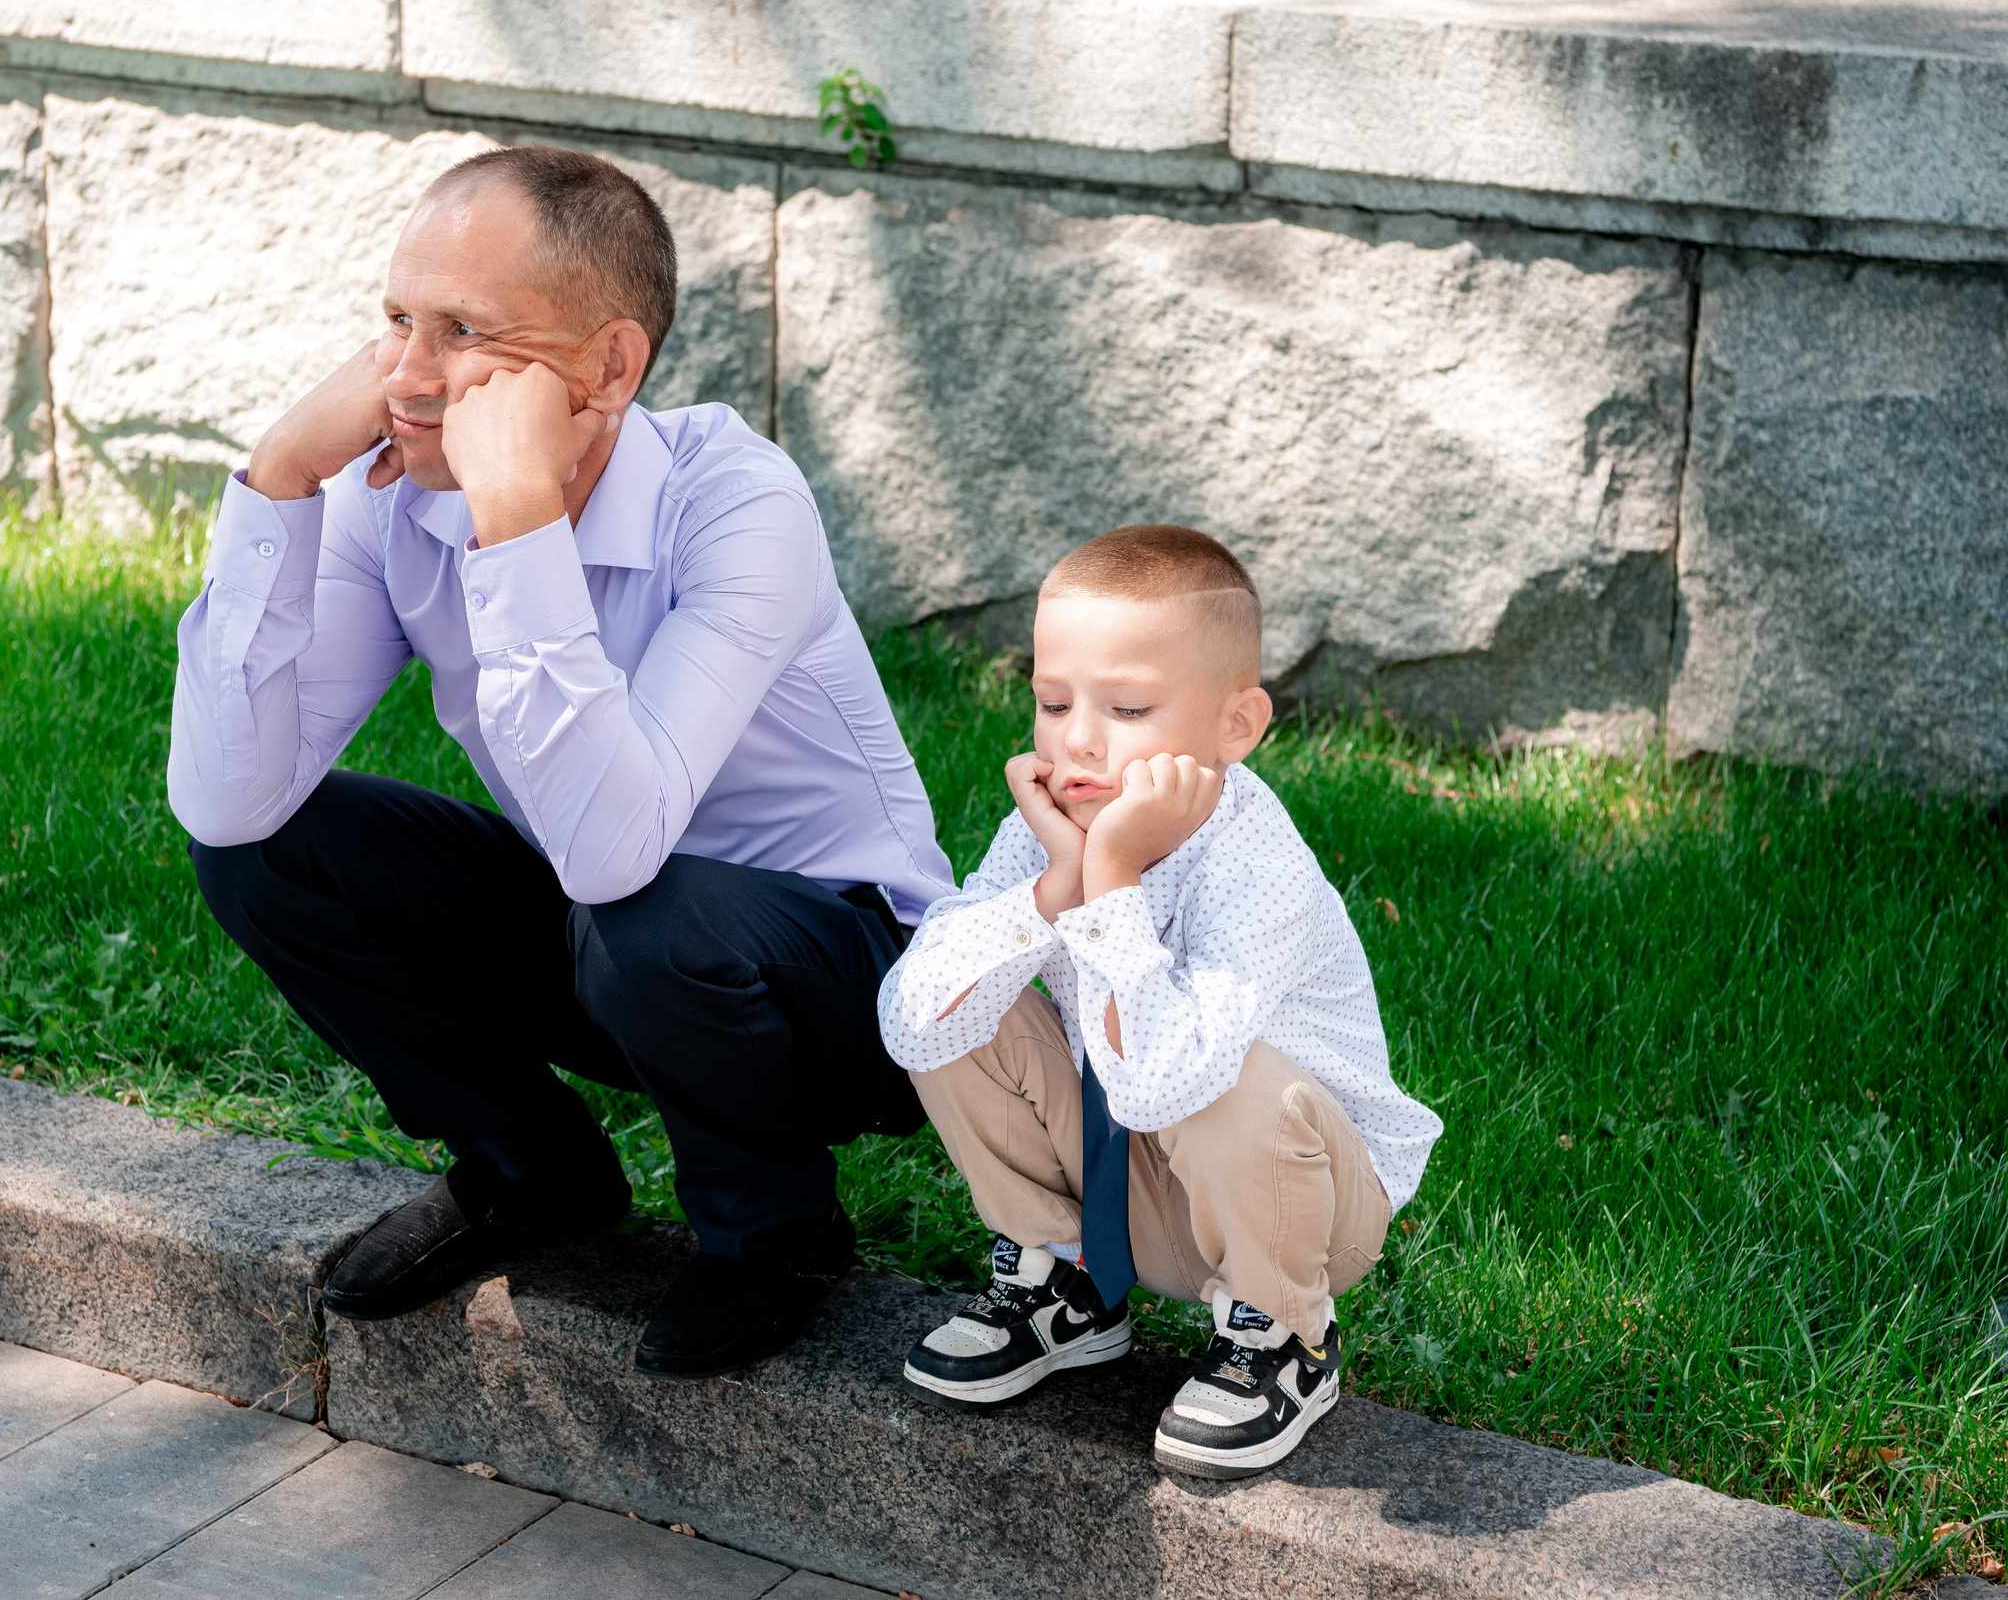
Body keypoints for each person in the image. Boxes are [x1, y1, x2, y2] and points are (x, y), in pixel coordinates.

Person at [169, 145, 954, 1379]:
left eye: (465, 332)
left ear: (609, 366)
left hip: (856, 988)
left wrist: (518, 519)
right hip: (613, 932)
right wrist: (275, 478)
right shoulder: (394, 495)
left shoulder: (739, 504)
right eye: (394, 322)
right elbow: (226, 797)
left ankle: (776, 1230)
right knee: (265, 853)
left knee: (646, 907)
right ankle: (535, 1172)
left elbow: (615, 847)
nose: (408, 377)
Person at [876, 524, 1444, 1478]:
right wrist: (1056, 890)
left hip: (1296, 1210)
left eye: (1129, 707)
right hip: (1132, 1188)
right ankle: (1068, 1284)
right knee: (961, 996)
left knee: (1223, 1071)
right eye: (1052, 703)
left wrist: (1113, 882)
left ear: (1237, 727)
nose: (1079, 741)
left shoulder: (1260, 868)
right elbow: (908, 1018)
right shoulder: (1053, 832)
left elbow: (1166, 1078)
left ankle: (1284, 1343)